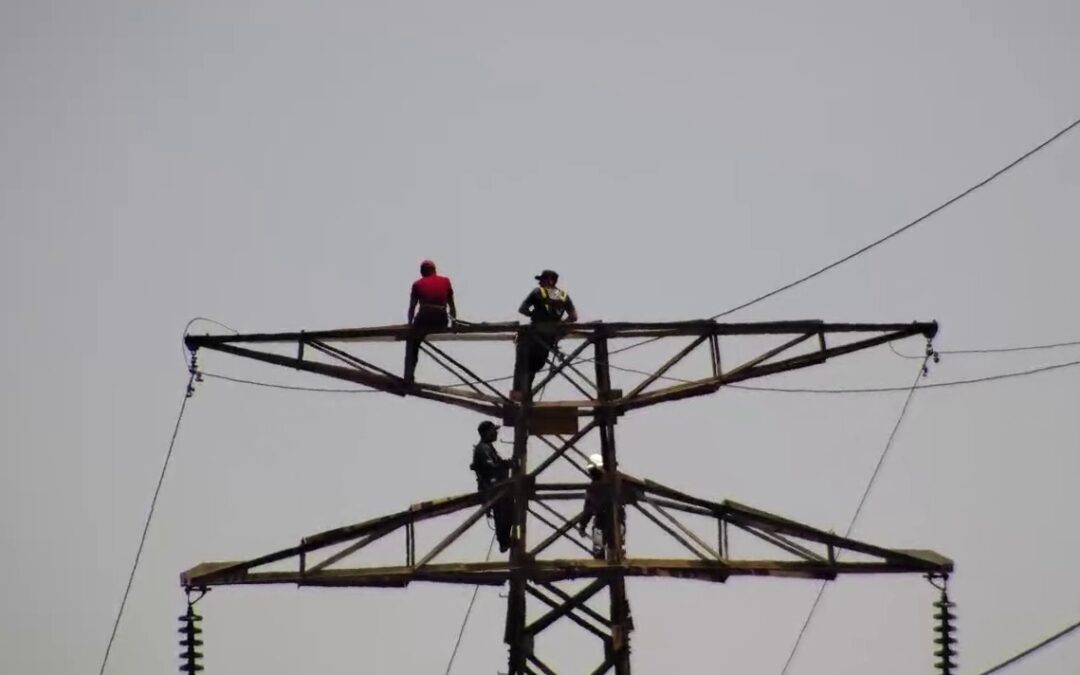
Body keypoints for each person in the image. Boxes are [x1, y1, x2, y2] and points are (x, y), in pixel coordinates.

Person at [514, 269, 577, 391]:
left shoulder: (538, 292)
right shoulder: (563, 296)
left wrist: (533, 314)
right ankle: (526, 394)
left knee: (523, 367)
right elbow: (574, 317)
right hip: (549, 340)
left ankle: (519, 394)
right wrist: (560, 324)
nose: (539, 283)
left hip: (532, 338)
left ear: (550, 280)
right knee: (535, 367)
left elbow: (522, 309)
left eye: (542, 280)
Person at [404, 260, 457, 382]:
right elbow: (452, 306)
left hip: (424, 318)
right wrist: (454, 323)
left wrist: (410, 325)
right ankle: (410, 375)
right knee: (417, 337)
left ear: (422, 272)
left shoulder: (417, 284)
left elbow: (412, 308)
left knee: (413, 343)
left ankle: (409, 375)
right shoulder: (445, 281)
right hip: (441, 319)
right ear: (435, 270)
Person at [469, 420, 514, 552]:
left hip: (497, 487)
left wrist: (507, 464)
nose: (495, 433)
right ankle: (504, 541)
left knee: (508, 512)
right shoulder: (482, 448)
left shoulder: (488, 447)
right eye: (493, 430)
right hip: (492, 488)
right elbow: (491, 467)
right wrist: (506, 466)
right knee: (502, 514)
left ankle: (505, 540)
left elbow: (498, 464)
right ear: (486, 432)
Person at [578, 453, 624, 560]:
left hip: (608, 521)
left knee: (603, 540)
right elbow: (588, 509)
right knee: (612, 541)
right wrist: (583, 525)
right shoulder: (615, 482)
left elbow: (588, 509)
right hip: (611, 521)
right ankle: (614, 554)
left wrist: (582, 526)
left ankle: (606, 555)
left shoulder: (596, 487)